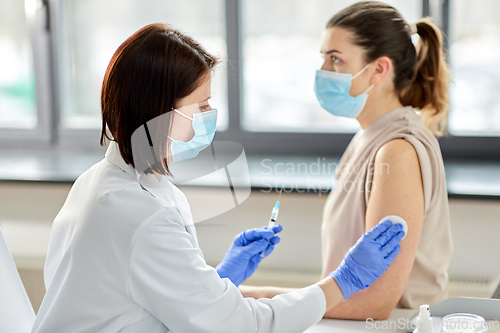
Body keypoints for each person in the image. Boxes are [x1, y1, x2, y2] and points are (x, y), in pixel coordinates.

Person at [31, 23, 405, 333]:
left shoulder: (107, 181)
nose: (211, 114)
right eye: (202, 105)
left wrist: (219, 276)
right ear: (158, 112)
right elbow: (241, 326)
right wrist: (343, 281)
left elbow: (135, 291)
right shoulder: (138, 214)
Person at [240, 1, 453, 320]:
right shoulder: (370, 135)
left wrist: (251, 296)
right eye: (323, 57)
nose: (323, 71)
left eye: (336, 59)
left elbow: (375, 302)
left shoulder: (397, 150)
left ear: (379, 69)